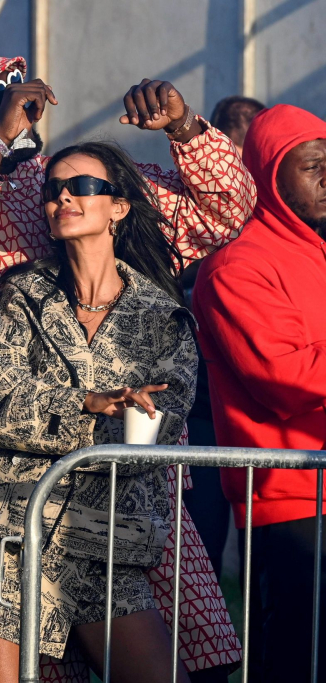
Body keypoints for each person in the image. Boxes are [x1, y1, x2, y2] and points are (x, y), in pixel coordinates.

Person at [0, 35, 256, 681]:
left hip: (118, 486)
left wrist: (187, 128)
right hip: (6, 480)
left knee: (172, 643)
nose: (20, 105)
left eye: (17, 86)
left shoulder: (77, 182)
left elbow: (222, 211)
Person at [0, 139, 199, 683]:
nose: (63, 197)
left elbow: (146, 443)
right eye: (53, 190)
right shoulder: (16, 298)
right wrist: (89, 408)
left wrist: (21, 435)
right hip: (4, 530)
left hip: (102, 536)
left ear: (118, 206)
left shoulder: (162, 318)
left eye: (83, 186)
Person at [192, 103, 326, 683]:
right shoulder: (234, 265)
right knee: (297, 661)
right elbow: (285, 378)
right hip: (290, 503)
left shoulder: (318, 255)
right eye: (315, 165)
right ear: (271, 172)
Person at [183, 94, 265, 580]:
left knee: (272, 563)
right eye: (230, 149)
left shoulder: (288, 224)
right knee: (201, 558)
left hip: (265, 415)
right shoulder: (190, 223)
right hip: (202, 415)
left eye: (249, 150)